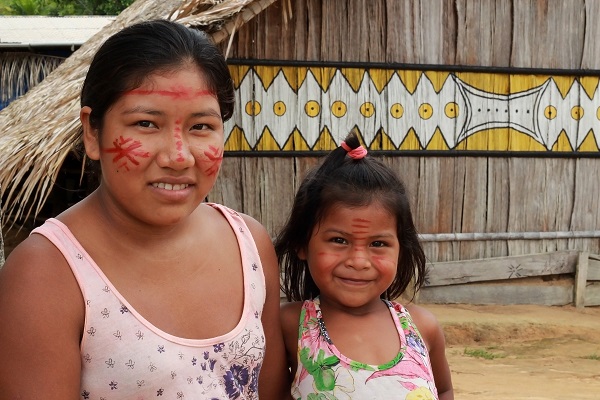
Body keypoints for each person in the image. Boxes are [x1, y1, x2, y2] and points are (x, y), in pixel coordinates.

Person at [0, 20, 289, 399]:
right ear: (92, 132)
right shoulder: (46, 275)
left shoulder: (249, 244)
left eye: (201, 126)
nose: (178, 157)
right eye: (146, 123)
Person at [275, 130, 454, 399]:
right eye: (338, 240)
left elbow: (444, 390)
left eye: (378, 244)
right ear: (302, 244)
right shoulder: (289, 325)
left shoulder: (421, 327)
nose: (358, 261)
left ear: (401, 250)